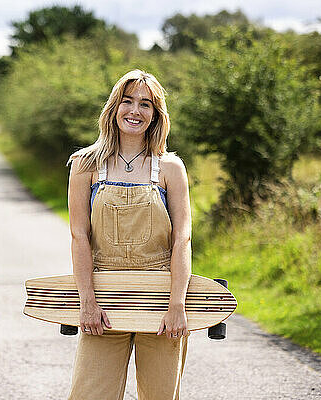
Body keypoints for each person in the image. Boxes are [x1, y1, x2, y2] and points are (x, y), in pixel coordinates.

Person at [66, 69, 192, 400]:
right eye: (127, 101)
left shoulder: (170, 168)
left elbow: (183, 239)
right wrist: (87, 301)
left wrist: (177, 303)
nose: (135, 111)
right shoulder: (85, 164)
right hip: (103, 299)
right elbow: (79, 237)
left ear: (156, 115)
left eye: (145, 104)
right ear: (114, 107)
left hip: (161, 298)